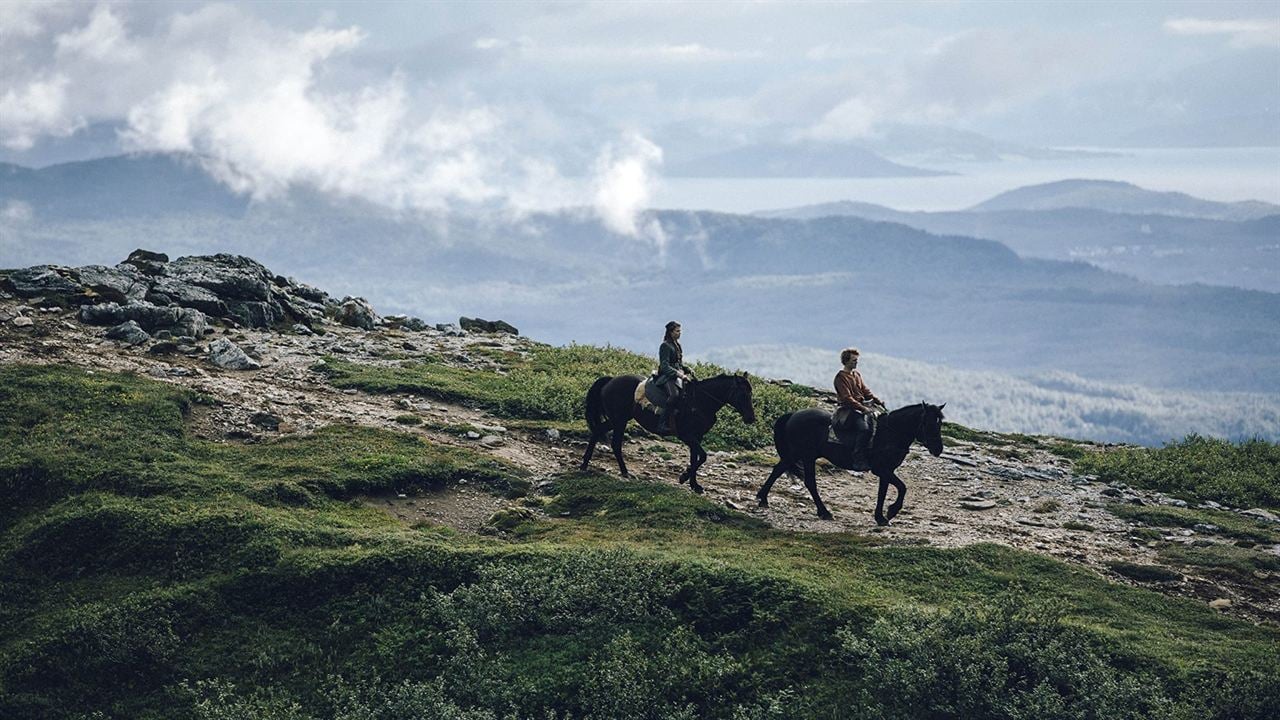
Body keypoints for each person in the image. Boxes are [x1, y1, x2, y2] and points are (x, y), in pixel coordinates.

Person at [834, 347, 883, 468]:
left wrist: (877, 400)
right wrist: (863, 408)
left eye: (856, 360)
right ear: (846, 361)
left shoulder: (856, 375)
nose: (856, 362)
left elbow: (865, 390)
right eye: (854, 360)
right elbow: (847, 398)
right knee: (865, 429)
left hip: (860, 407)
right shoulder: (841, 377)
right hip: (849, 410)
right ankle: (858, 458)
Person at [656, 320, 692, 431]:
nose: (679, 333)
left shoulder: (678, 345)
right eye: (677, 331)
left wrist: (687, 369)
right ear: (671, 332)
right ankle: (662, 424)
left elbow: (678, 363)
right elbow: (665, 366)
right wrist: (680, 375)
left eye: (680, 331)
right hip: (668, 376)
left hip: (678, 375)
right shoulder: (665, 346)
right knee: (674, 396)